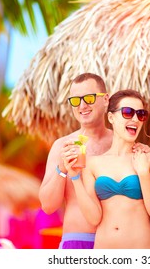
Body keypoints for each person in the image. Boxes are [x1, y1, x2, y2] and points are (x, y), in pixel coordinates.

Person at [62, 89, 150, 248]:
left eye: (140, 114)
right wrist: (75, 177)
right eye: (127, 112)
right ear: (111, 117)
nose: (135, 118)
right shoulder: (93, 163)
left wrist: (143, 174)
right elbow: (94, 218)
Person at [39, 73, 113, 249]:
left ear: (106, 99)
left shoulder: (122, 143)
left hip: (116, 244)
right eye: (75, 100)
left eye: (88, 98)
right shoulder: (61, 146)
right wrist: (61, 168)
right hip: (78, 242)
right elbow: (48, 206)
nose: (82, 105)